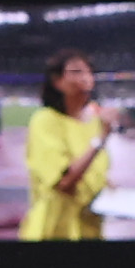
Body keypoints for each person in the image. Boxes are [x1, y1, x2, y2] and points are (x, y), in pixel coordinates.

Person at [20, 50, 116, 243]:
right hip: (54, 229)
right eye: (76, 71)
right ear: (57, 81)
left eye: (89, 72)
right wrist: (100, 139)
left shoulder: (94, 123)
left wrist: (108, 187)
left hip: (89, 230)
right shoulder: (45, 121)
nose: (86, 77)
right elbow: (64, 183)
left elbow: (93, 171)